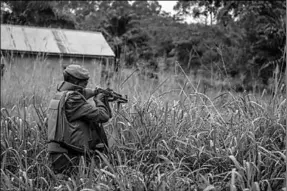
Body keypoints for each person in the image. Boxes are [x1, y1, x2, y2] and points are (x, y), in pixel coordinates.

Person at [47, 64, 112, 176]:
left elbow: (81, 93)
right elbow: (103, 116)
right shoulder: (74, 100)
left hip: (59, 151)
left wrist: (94, 91)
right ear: (76, 84)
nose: (85, 86)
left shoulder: (61, 95)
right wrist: (99, 100)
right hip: (68, 154)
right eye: (84, 83)